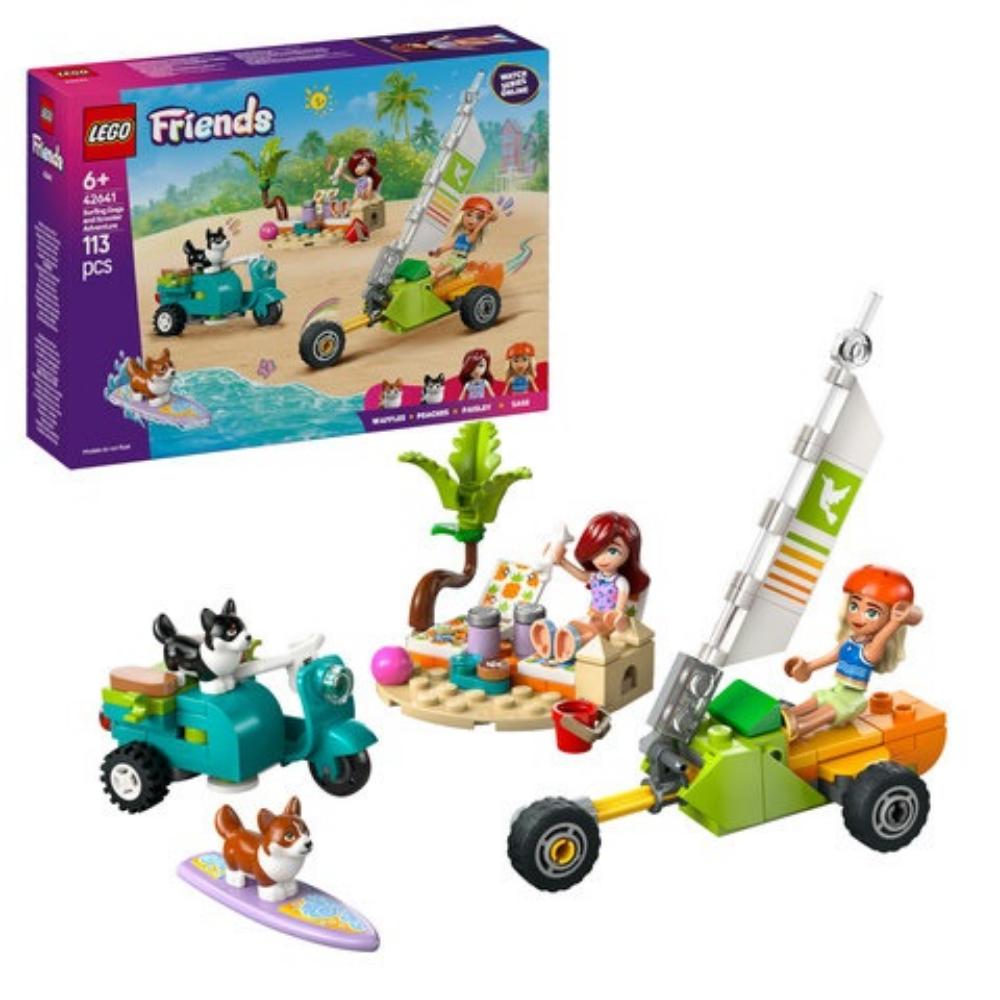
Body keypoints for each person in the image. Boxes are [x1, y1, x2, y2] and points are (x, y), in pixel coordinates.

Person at [782, 565, 922, 742]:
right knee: (814, 700)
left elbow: (884, 635)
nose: (858, 617)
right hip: (835, 690)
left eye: (872, 612)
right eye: (854, 606)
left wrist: (895, 622)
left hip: (851, 699)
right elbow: (831, 656)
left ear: (889, 618)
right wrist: (808, 667)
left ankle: (800, 727)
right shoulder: (848, 642)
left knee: (827, 711)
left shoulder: (871, 650)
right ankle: (787, 716)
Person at [531, 512, 650, 664]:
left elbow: (620, 609)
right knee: (574, 625)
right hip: (591, 615)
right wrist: (561, 561)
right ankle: (553, 642)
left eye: (612, 551)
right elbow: (580, 574)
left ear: (629, 552)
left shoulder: (620, 582)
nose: (603, 558)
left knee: (591, 635)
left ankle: (569, 646)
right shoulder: (595, 576)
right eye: (596, 551)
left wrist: (617, 615)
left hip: (607, 621)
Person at [428, 196, 499, 283]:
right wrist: (437, 252)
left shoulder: (471, 237)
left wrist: (486, 219)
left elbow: (478, 229)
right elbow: (448, 247)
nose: (472, 220)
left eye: (479, 217)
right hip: (451, 259)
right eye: (469, 215)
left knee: (439, 276)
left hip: (459, 262)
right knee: (435, 271)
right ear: (463, 216)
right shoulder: (460, 237)